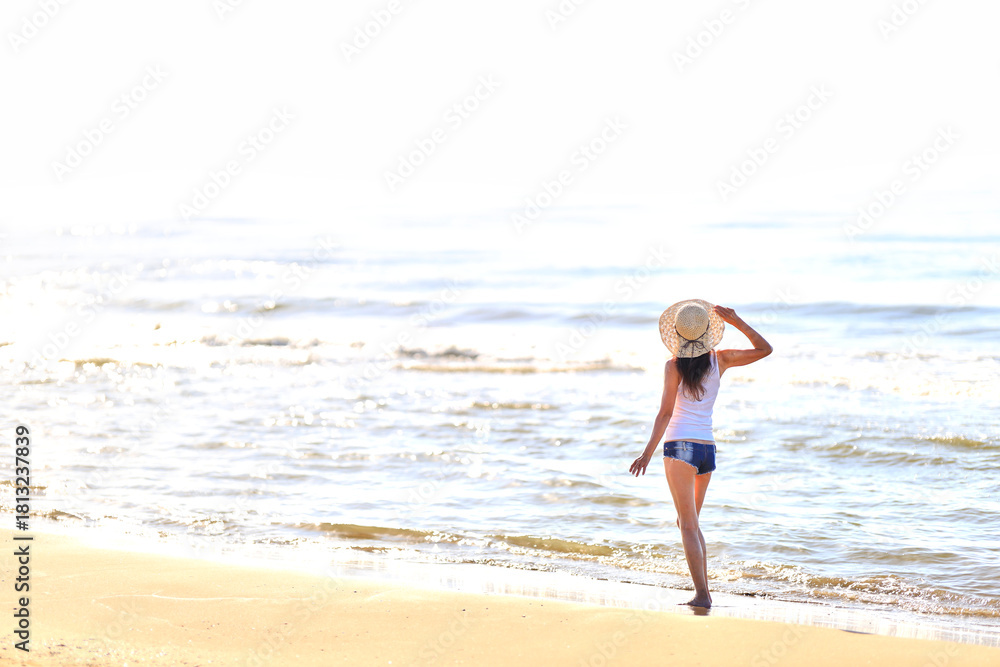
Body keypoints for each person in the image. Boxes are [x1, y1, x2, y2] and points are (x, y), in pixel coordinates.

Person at [629, 299, 772, 608]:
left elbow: (665, 414)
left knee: (688, 525)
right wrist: (737, 321)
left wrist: (647, 453)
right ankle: (703, 592)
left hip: (679, 448)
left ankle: (703, 596)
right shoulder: (721, 360)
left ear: (677, 334)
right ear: (708, 331)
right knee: (689, 523)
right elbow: (765, 349)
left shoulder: (673, 366)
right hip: (707, 450)